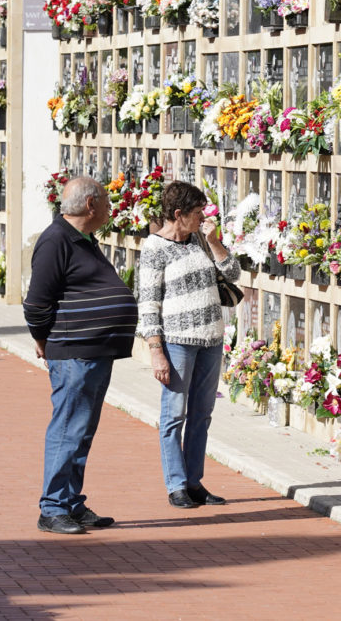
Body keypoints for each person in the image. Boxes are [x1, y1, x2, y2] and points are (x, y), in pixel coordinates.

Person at [24, 177, 138, 535]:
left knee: (82, 431)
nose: (110, 207)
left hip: (95, 350)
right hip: (74, 351)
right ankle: (53, 507)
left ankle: (71, 502)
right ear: (90, 205)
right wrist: (42, 339)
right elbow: (37, 302)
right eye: (105, 200)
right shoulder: (56, 239)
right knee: (68, 428)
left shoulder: (84, 239)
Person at [138, 181, 240, 509]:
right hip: (178, 343)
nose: (203, 218)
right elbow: (149, 304)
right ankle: (176, 485)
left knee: (202, 414)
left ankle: (194, 482)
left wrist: (214, 242)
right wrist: (156, 352)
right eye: (197, 213)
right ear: (178, 214)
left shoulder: (200, 239)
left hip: (211, 338)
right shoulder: (155, 249)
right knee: (173, 415)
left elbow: (234, 272)